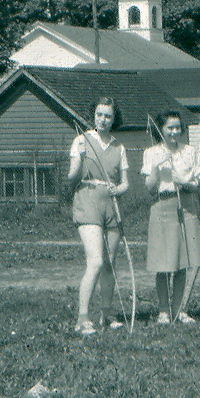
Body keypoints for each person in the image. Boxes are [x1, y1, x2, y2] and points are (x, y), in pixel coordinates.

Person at [66, 97, 130, 335]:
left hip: (111, 205)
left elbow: (125, 184)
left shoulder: (119, 147)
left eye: (108, 116)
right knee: (96, 261)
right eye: (99, 115)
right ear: (93, 115)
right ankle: (82, 318)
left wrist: (119, 189)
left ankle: (106, 314)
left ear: (114, 119)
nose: (103, 120)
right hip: (88, 201)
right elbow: (71, 176)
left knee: (110, 265)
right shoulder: (81, 140)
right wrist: (80, 158)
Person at [141, 110, 200, 324]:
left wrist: (184, 181)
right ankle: (163, 311)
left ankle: (179, 310)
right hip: (162, 206)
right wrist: (156, 168)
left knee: (182, 261)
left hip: (186, 205)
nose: (174, 132)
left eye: (178, 127)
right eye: (170, 127)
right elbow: (150, 189)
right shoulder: (151, 152)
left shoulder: (189, 151)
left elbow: (197, 184)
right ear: (161, 129)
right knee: (163, 263)